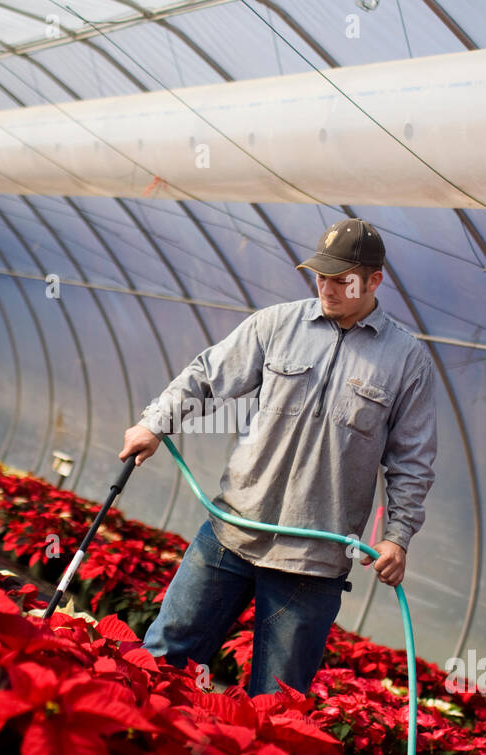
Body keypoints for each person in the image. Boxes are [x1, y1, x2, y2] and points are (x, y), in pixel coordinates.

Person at [119, 218, 438, 698]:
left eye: (342, 278)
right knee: (165, 658)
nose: (328, 287)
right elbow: (206, 377)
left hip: (313, 561)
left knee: (276, 703)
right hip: (231, 530)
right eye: (321, 275)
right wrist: (154, 423)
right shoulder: (278, 324)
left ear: (375, 280)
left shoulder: (406, 361)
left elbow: (411, 461)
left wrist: (397, 537)